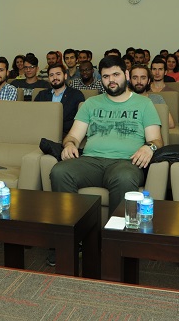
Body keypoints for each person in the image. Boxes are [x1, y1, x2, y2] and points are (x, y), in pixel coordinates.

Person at [50, 56, 163, 220]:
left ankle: (116, 233)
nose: (111, 80)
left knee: (124, 177)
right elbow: (73, 136)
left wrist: (149, 147)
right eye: (106, 76)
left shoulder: (144, 104)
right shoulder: (91, 103)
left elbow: (157, 140)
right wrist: (69, 144)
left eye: (116, 74)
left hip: (125, 162)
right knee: (59, 171)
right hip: (91, 161)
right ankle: (73, 229)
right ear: (101, 78)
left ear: (126, 75)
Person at [34, 63, 85, 135]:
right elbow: (34, 116)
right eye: (51, 75)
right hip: (43, 132)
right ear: (48, 78)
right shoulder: (41, 95)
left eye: (58, 74)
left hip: (67, 135)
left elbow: (80, 120)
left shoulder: (76, 95)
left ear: (65, 76)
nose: (55, 78)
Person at [130, 65, 176, 130]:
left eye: (143, 78)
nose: (139, 81)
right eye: (135, 78)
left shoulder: (157, 99)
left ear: (148, 81)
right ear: (130, 80)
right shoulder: (123, 99)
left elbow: (170, 124)